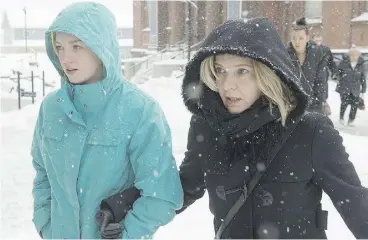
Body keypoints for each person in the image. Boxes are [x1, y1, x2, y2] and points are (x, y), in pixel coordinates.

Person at [177, 18, 368, 239]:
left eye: (242, 71)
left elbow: (355, 204)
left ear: (267, 73)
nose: (227, 84)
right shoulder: (208, 127)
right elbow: (180, 190)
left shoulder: (311, 132)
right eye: (220, 70)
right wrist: (130, 206)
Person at [31, 2, 183, 239]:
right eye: (59, 47)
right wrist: (45, 223)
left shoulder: (140, 110)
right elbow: (42, 174)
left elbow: (161, 194)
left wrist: (126, 235)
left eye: (77, 46)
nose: (65, 57)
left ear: (101, 46)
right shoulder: (52, 108)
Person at [287, 17, 329, 114]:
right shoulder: (285, 55)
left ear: (307, 37)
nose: (297, 42)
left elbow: (321, 80)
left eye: (301, 38)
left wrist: (319, 102)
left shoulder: (317, 53)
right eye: (294, 38)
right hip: (291, 106)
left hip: (313, 105)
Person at [336, 46, 366, 126]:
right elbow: (337, 73)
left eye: (356, 55)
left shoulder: (360, 64)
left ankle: (351, 120)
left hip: (355, 88)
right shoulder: (343, 63)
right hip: (344, 87)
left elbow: (363, 78)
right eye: (352, 55)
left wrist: (363, 89)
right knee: (344, 103)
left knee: (354, 105)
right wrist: (337, 75)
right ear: (349, 55)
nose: (354, 57)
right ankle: (341, 118)